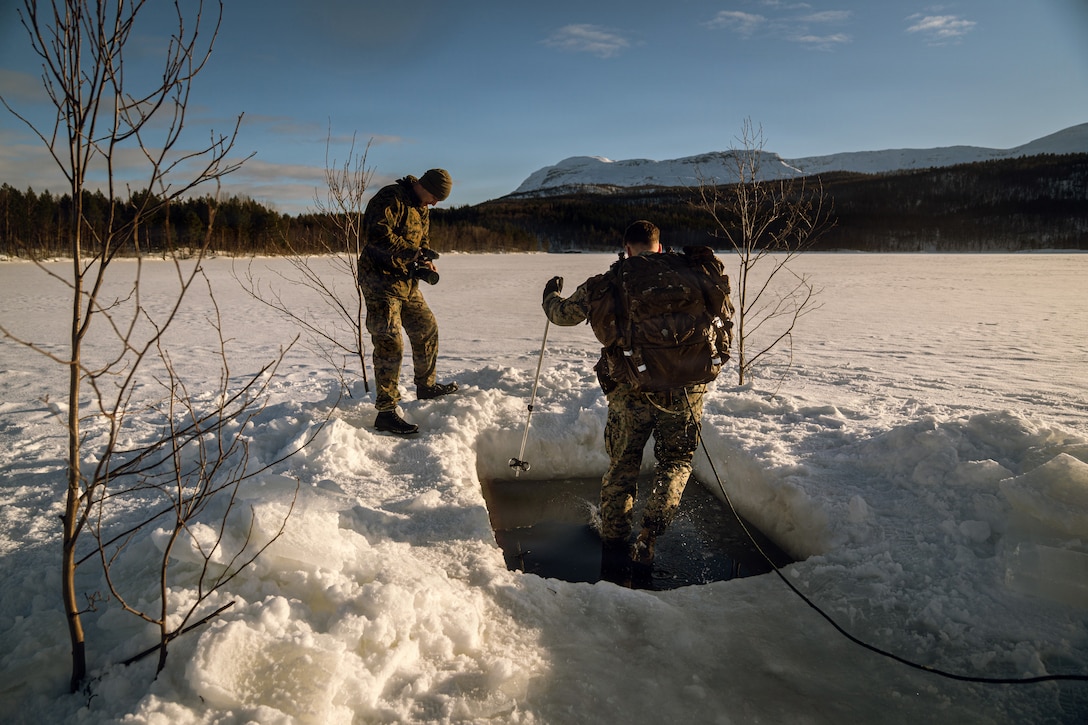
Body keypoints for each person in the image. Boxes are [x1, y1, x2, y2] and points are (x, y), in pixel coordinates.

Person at [541, 220, 733, 570]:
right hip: (687, 389)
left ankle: (613, 541)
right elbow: (723, 313)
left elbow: (561, 315)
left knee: (622, 467)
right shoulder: (694, 271)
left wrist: (550, 293)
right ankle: (650, 534)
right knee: (676, 461)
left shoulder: (609, 282)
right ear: (660, 245)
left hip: (632, 391)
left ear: (627, 248)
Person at [358, 168, 458, 435]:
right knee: (390, 342)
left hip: (405, 281)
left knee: (426, 328)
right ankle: (386, 412)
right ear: (423, 186)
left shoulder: (421, 208)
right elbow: (377, 236)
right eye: (435, 196)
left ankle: (426, 387)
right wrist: (412, 252)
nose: (435, 203)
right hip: (379, 281)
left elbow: (421, 241)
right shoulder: (391, 198)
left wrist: (424, 262)